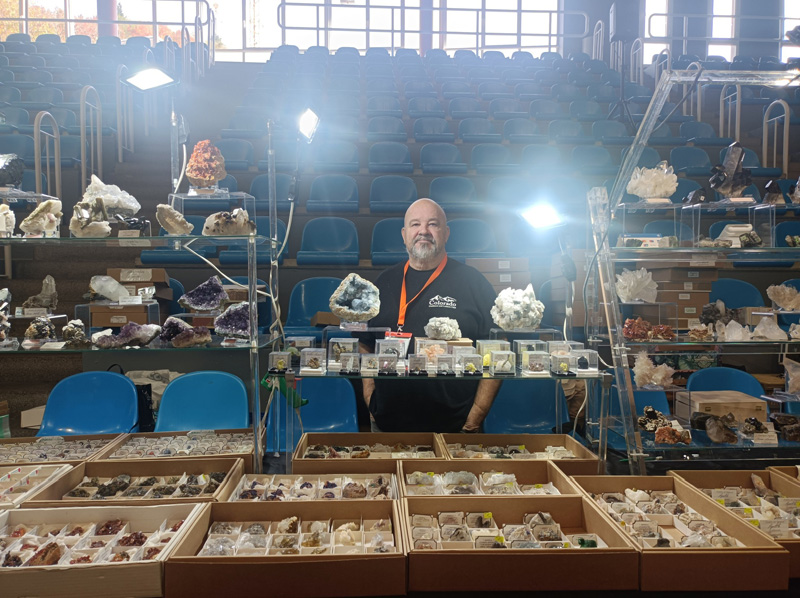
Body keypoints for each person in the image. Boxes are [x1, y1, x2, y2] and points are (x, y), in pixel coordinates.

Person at [361, 198, 501, 433]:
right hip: (388, 424)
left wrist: (476, 413)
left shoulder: (473, 282)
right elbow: (365, 343)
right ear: (404, 234)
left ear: (446, 233)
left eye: (433, 224)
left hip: (456, 426)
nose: (423, 231)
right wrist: (370, 398)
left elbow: (497, 347)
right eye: (415, 224)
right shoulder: (383, 282)